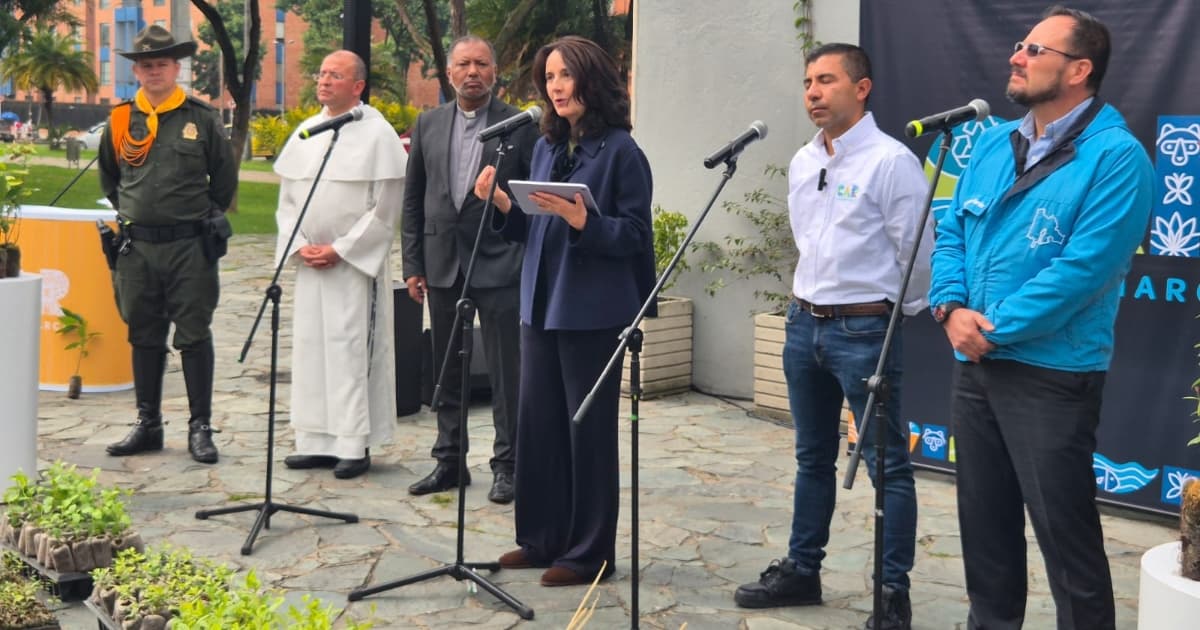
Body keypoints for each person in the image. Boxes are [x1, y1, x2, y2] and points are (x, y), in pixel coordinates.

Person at [928, 7, 1153, 629]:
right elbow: (951, 232)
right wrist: (949, 308)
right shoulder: (992, 142)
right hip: (975, 365)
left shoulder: (1117, 158)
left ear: (1079, 70)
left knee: (1066, 541)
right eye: (1020, 45)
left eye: (1035, 50)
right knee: (985, 530)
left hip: (1052, 373)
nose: (1016, 57)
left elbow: (1083, 271)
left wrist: (989, 328)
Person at [733, 43, 931, 630]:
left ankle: (892, 593)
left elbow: (917, 253)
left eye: (826, 80)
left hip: (865, 328)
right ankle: (802, 570)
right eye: (807, 82)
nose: (813, 93)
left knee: (886, 465)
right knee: (811, 456)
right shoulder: (803, 160)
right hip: (804, 325)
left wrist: (898, 314)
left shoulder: (891, 162)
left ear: (862, 88)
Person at [473, 35, 654, 587]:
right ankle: (542, 538)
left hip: (592, 314)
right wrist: (503, 205)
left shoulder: (622, 152)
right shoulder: (548, 148)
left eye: (565, 75)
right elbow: (534, 229)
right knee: (539, 427)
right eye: (549, 77)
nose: (555, 86)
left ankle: (589, 553)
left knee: (587, 433)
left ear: (591, 79)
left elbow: (635, 235)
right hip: (540, 306)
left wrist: (584, 223)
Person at [401, 35, 534, 504]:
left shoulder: (519, 125)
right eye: (463, 64)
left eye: (481, 63)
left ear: (495, 71)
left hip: (500, 261)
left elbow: (531, 196)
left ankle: (508, 466)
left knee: (505, 370)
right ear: (449, 72)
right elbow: (413, 199)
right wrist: (413, 263)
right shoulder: (428, 123)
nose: (472, 71)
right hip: (442, 263)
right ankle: (449, 461)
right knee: (447, 366)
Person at [99, 24, 237, 465]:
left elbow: (225, 181)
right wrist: (140, 214)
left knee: (193, 335)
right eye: (145, 65)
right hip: (137, 249)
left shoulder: (202, 118)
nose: (153, 71)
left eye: (161, 64)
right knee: (143, 334)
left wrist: (194, 217)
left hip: (189, 248)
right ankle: (149, 424)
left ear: (177, 68)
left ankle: (200, 427)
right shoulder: (120, 119)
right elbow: (111, 179)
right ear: (136, 72)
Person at [274, 50, 408, 479]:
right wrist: (299, 246)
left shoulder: (378, 134)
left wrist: (342, 249)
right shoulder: (307, 131)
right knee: (311, 352)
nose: (324, 80)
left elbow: (385, 210)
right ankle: (314, 441)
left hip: (351, 266)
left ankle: (353, 443)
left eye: (335, 74)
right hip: (311, 264)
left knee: (349, 350)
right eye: (322, 73)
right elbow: (287, 203)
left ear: (358, 86)